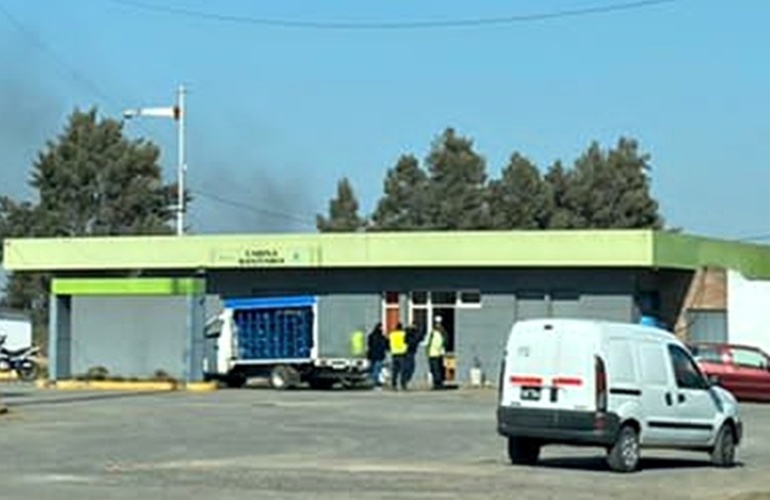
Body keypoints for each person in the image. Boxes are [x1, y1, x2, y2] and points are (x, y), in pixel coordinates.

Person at [426, 317, 446, 390]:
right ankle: (437, 383)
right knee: (434, 370)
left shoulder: (440, 333)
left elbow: (443, 343)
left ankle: (438, 384)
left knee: (436, 370)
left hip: (436, 354)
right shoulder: (434, 333)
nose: (437, 325)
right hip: (433, 354)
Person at [366, 323, 387, 389]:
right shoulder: (381, 337)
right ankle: (375, 383)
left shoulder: (371, 336)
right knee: (377, 369)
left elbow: (369, 345)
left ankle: (372, 381)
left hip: (372, 355)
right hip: (379, 355)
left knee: (373, 369)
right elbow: (384, 345)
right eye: (381, 327)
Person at [388, 322, 408, 390]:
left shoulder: (392, 334)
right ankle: (403, 384)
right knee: (403, 370)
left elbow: (388, 343)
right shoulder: (403, 334)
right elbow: (407, 341)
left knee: (395, 371)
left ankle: (394, 384)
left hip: (394, 353)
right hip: (402, 353)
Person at [402, 322, 422, 390]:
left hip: (410, 352)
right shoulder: (409, 333)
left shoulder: (411, 333)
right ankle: (404, 381)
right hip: (408, 352)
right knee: (409, 368)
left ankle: (405, 381)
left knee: (409, 368)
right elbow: (412, 341)